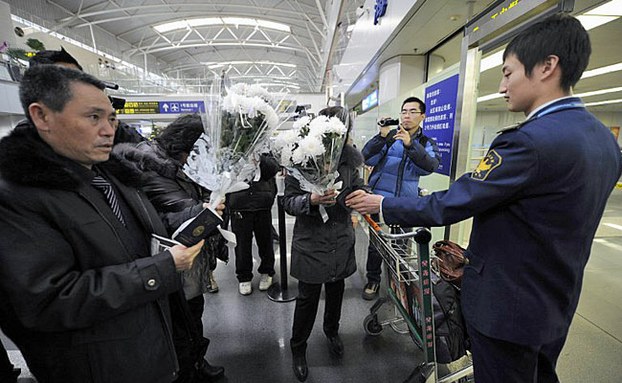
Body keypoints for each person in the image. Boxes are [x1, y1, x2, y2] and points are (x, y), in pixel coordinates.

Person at [346, 13, 622, 383]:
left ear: (547, 67)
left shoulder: (527, 142)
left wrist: (380, 204)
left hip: (506, 308)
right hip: (555, 299)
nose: (503, 85)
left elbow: (454, 202)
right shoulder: (603, 139)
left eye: (508, 73)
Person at [0, 64, 205, 382]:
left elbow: (135, 232)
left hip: (151, 346)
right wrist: (161, 269)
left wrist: (193, 218)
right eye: (93, 117)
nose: (108, 130)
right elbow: (49, 300)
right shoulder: (18, 195)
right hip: (100, 365)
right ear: (42, 117)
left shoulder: (109, 172)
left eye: (111, 118)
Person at [114, 114, 226, 382]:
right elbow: (168, 215)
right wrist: (203, 209)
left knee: (193, 312)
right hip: (167, 257)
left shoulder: (173, 163)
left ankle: (198, 361)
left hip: (188, 254)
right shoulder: (152, 166)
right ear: (183, 147)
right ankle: (186, 369)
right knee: (179, 321)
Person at [283, 106, 366, 382]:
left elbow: (359, 187)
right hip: (311, 240)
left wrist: (359, 197)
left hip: (340, 238)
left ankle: (332, 331)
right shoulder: (301, 159)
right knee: (307, 298)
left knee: (336, 290)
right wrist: (311, 201)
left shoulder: (351, 159)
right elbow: (287, 202)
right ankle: (298, 347)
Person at [361, 96, 440, 300]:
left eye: (413, 111)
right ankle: (373, 279)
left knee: (402, 244)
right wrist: (381, 136)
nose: (407, 115)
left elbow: (429, 167)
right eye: (404, 111)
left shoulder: (426, 142)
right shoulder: (389, 138)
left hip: (406, 203)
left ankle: (398, 281)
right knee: (376, 245)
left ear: (422, 116)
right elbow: (366, 157)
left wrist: (410, 145)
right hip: (380, 201)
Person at [227, 154, 280, 295]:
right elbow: (224, 170)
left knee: (265, 239)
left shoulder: (264, 147)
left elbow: (273, 168)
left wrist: (260, 159)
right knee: (241, 242)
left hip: (262, 199)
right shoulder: (233, 147)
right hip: (239, 200)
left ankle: (267, 271)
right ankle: (244, 276)